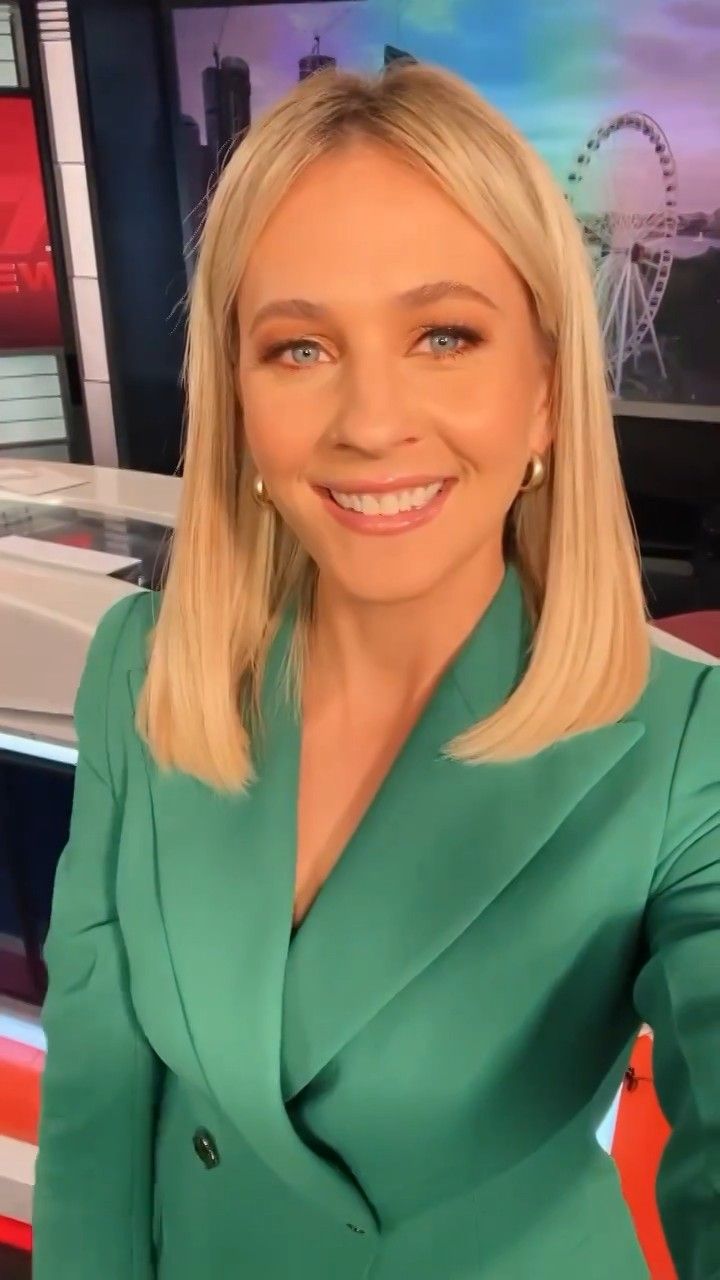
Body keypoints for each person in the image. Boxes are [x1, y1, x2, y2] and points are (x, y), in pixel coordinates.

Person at [33, 62, 719, 1280]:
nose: (369, 420)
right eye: (299, 347)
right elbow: (95, 1108)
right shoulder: (142, 672)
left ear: (547, 392)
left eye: (444, 335)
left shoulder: (686, 750)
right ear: (239, 401)